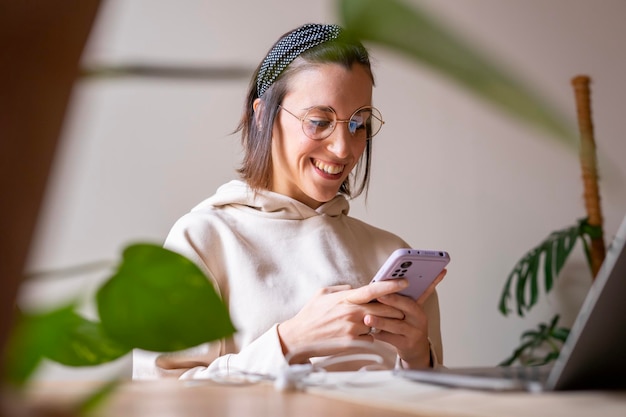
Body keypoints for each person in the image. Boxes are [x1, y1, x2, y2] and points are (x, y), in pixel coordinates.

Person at [132, 23, 446, 380]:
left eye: (358, 124)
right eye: (319, 121)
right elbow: (157, 398)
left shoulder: (387, 252)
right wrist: (288, 342)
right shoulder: (203, 239)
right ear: (263, 114)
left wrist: (420, 358)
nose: (343, 148)